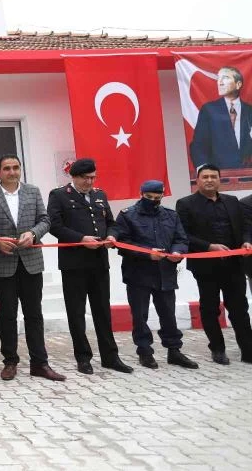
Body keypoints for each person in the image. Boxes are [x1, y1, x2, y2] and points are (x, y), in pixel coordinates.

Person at [0, 155, 66, 382]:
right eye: (7, 168)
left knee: (34, 314)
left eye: (16, 167)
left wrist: (34, 233)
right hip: (3, 262)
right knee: (8, 315)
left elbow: (45, 220)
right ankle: (10, 362)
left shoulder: (33, 191)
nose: (12, 172)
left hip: (31, 262)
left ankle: (40, 363)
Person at [47, 158, 133, 375]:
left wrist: (112, 236)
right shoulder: (59, 195)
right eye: (85, 178)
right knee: (76, 312)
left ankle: (110, 356)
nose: (89, 182)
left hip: (99, 262)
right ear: (74, 177)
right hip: (74, 263)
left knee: (102, 310)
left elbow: (111, 223)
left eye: (93, 178)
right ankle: (83, 357)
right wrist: (80, 239)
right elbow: (54, 226)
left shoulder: (99, 195)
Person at [110, 180, 198, 370]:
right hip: (138, 274)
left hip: (165, 273)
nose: (153, 201)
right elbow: (123, 244)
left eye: (157, 198)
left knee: (168, 314)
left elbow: (181, 239)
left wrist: (177, 252)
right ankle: (145, 352)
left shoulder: (171, 215)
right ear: (141, 194)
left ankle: (174, 351)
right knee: (140, 316)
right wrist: (147, 253)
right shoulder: (128, 215)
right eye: (148, 197)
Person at [176, 164, 252, 364]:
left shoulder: (232, 201)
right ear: (197, 180)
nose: (209, 180)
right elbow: (183, 234)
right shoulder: (185, 204)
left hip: (234, 265)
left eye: (213, 177)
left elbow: (245, 227)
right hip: (206, 267)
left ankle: (248, 350)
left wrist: (247, 241)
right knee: (210, 309)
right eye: (205, 177)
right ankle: (217, 349)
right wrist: (209, 246)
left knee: (239, 308)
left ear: (219, 179)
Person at [189, 67, 252, 169]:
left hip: (248, 174)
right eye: (218, 78)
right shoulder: (209, 110)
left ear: (238, 84)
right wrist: (204, 168)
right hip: (217, 174)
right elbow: (198, 145)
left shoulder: (249, 111)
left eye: (225, 77)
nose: (220, 82)